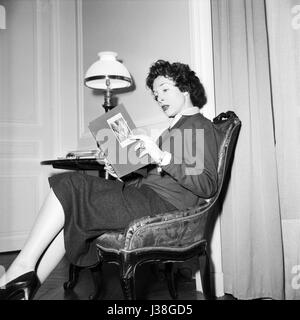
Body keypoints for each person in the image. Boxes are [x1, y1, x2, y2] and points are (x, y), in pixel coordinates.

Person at [0, 59, 219, 300]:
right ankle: (24, 290)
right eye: (156, 95)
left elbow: (206, 185)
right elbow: (158, 179)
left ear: (186, 89)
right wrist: (123, 171)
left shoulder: (198, 126)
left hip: (165, 207)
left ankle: (20, 269)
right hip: (148, 198)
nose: (160, 99)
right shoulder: (172, 130)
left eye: (165, 89)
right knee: (73, 212)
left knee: (71, 183)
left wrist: (162, 157)